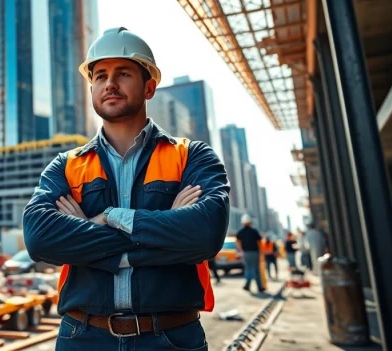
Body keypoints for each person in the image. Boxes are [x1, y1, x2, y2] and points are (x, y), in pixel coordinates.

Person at [23, 27, 229, 350]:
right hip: (83, 337)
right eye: (100, 75)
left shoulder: (191, 156)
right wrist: (165, 229)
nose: (110, 84)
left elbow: (206, 234)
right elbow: (39, 238)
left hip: (171, 338)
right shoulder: (67, 165)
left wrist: (104, 219)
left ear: (149, 87)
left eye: (123, 73)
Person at [236, 215, 265, 293]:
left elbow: (238, 241)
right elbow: (259, 242)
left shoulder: (240, 232)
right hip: (254, 252)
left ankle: (248, 285)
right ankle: (259, 287)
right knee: (256, 270)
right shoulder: (254, 231)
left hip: (246, 253)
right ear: (250, 222)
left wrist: (241, 250)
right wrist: (261, 253)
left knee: (248, 269)